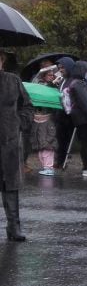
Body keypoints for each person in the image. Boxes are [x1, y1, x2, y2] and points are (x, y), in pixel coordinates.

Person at [1, 51, 33, 241]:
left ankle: (14, 226)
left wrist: (19, 123)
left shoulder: (12, 80)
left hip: (9, 141)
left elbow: (27, 105)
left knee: (10, 184)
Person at [31, 67, 59, 176]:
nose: (52, 77)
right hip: (38, 117)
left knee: (48, 142)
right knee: (39, 142)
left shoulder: (54, 86)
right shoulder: (38, 86)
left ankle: (49, 167)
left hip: (49, 117)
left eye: (53, 75)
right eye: (49, 75)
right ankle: (45, 166)